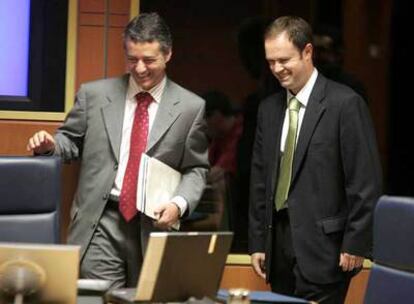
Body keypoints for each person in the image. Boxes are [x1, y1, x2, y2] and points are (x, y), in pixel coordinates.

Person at [26, 13, 209, 288]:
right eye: (132, 59)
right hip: (101, 221)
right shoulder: (94, 95)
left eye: (149, 60)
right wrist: (51, 145)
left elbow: (196, 169)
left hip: (153, 226)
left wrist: (178, 204)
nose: (140, 68)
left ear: (168, 54)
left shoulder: (190, 108)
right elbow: (69, 141)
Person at [249, 16, 382, 303]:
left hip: (327, 250)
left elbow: (364, 181)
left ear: (307, 52)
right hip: (279, 249)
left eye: (284, 60)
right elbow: (260, 181)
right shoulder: (268, 110)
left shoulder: (345, 104)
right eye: (270, 61)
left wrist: (356, 243)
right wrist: (258, 242)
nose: (276, 69)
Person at [203, 90, 243, 183]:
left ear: (217, 114)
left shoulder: (240, 133)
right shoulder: (218, 137)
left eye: (204, 118)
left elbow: (216, 173)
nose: (202, 125)